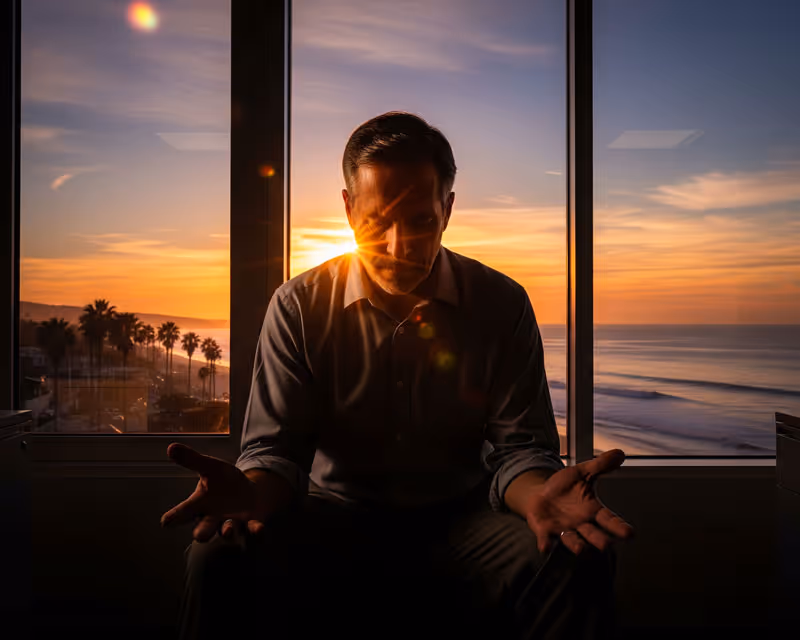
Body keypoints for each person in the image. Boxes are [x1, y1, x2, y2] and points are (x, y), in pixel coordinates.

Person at [161, 112, 634, 640]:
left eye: (420, 221)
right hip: (331, 517)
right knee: (217, 556)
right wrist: (252, 493)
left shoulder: (502, 303)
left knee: (575, 556)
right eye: (375, 223)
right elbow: (276, 451)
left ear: (448, 209)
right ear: (348, 209)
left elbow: (520, 449)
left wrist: (539, 496)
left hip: (465, 520)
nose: (396, 246)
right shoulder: (298, 307)